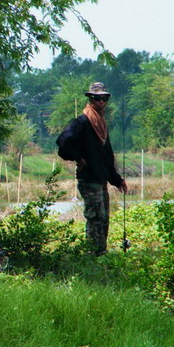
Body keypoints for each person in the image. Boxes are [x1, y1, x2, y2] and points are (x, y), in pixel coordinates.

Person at [56, 82, 128, 256]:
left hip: (101, 177)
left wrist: (117, 179)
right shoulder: (82, 121)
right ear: (90, 98)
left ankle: (101, 252)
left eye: (104, 98)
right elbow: (62, 142)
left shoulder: (101, 124)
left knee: (104, 218)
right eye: (97, 98)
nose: (101, 101)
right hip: (89, 178)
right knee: (95, 217)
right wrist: (79, 158)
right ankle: (93, 255)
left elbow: (106, 156)